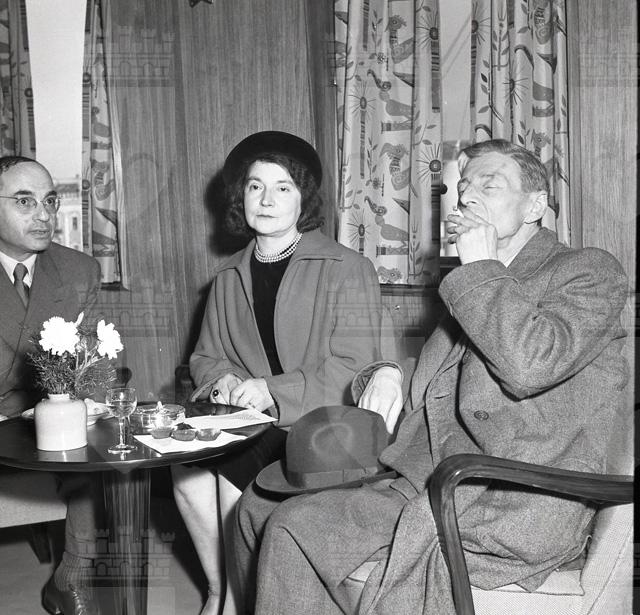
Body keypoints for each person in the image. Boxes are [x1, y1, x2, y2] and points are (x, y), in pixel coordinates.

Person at [233, 139, 630, 614]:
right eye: (464, 189)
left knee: (291, 524)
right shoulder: (478, 281)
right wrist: (388, 372)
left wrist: (480, 266)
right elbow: (443, 375)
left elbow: (530, 366)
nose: (467, 197)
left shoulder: (586, 270)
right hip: (432, 477)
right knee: (260, 507)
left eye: (489, 186)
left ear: (534, 206)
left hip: (510, 495)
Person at [171, 131, 383, 615]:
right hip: (253, 419)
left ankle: (236, 602)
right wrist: (222, 381)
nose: (266, 200)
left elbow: (355, 367)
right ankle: (220, 589)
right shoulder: (228, 276)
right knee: (185, 468)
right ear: (240, 197)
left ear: (303, 197)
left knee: (229, 462)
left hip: (325, 425)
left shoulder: (347, 268)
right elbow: (205, 356)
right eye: (255, 187)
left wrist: (270, 391)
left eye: (282, 187)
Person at [0, 156, 102, 615]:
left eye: (50, 201)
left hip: (47, 416)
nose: (43, 214)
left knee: (98, 448)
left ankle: (72, 577)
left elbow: (95, 360)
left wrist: (83, 404)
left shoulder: (78, 270)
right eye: (24, 201)